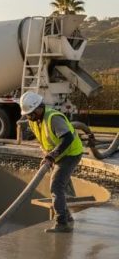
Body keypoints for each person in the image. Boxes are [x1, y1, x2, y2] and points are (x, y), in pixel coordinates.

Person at [20, 91, 83, 233]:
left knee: (56, 187)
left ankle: (62, 223)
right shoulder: (34, 120)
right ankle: (67, 217)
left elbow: (67, 138)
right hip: (58, 155)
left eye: (30, 113)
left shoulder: (53, 118)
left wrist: (52, 156)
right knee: (61, 184)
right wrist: (49, 156)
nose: (29, 117)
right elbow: (45, 139)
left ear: (39, 108)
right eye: (27, 114)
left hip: (70, 153)